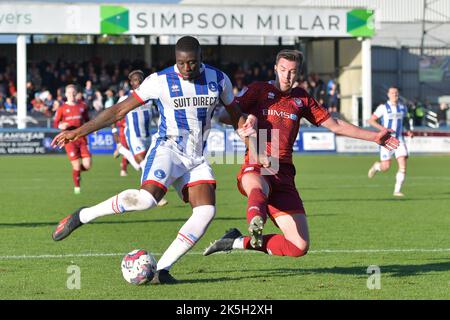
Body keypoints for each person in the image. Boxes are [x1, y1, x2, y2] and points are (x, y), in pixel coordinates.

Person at [50, 36, 253, 284]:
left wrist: (252, 144)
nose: (186, 68)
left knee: (206, 211)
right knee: (146, 200)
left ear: (201, 58)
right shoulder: (159, 81)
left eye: (192, 62)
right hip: (167, 150)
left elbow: (235, 115)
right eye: (181, 63)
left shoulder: (218, 79)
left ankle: (162, 270)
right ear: (175, 60)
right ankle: (83, 215)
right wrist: (78, 131)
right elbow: (118, 111)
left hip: (196, 157)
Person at [203, 49, 399, 259]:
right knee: (257, 187)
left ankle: (235, 241)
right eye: (283, 70)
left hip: (284, 173)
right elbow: (225, 115)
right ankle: (255, 222)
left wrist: (374, 137)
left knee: (298, 246)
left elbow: (335, 125)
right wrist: (248, 117)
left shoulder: (302, 99)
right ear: (275, 69)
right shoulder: (259, 90)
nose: (287, 76)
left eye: (293, 72)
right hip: (258, 163)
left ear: (299, 74)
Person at [112, 69, 168, 207]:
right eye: (136, 80)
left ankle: (123, 151)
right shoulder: (125, 98)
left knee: (143, 165)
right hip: (134, 135)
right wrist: (115, 133)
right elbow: (115, 115)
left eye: (141, 80)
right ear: (131, 83)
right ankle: (155, 196)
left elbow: (156, 115)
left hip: (148, 135)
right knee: (142, 165)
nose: (139, 82)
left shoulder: (150, 97)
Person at [367, 86, 413, 197]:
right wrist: (382, 129)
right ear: (388, 94)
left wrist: (409, 130)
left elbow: (405, 120)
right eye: (392, 93)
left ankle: (397, 191)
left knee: (403, 165)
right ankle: (377, 166)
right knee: (385, 167)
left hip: (399, 140)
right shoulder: (383, 107)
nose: (395, 95)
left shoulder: (403, 107)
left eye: (396, 93)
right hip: (386, 141)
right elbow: (370, 120)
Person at [53, 84, 92, 194]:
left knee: (87, 165)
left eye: (73, 92)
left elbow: (88, 121)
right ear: (65, 94)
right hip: (69, 140)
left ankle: (77, 173)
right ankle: (77, 188)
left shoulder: (82, 106)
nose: (71, 94)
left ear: (77, 93)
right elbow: (55, 123)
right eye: (69, 92)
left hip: (82, 138)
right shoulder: (62, 108)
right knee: (76, 165)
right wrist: (61, 126)